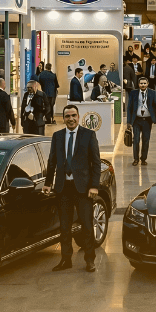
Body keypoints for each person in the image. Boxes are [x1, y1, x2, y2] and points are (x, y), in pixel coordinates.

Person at [44, 105, 101, 273]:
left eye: (73, 115)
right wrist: (48, 183)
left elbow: (96, 163)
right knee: (64, 226)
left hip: (83, 189)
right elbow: (52, 161)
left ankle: (90, 260)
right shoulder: (57, 136)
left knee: (87, 225)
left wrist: (94, 186)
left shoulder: (88, 135)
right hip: (63, 188)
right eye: (67, 116)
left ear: (78, 116)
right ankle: (65, 259)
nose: (70, 119)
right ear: (63, 118)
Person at [127, 77, 156, 166]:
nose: (143, 85)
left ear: (147, 84)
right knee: (136, 140)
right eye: (141, 83)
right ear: (138, 84)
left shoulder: (152, 93)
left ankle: (143, 159)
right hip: (136, 120)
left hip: (147, 120)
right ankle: (136, 159)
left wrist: (154, 117)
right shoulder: (133, 93)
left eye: (144, 83)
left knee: (146, 140)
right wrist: (128, 122)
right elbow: (129, 107)